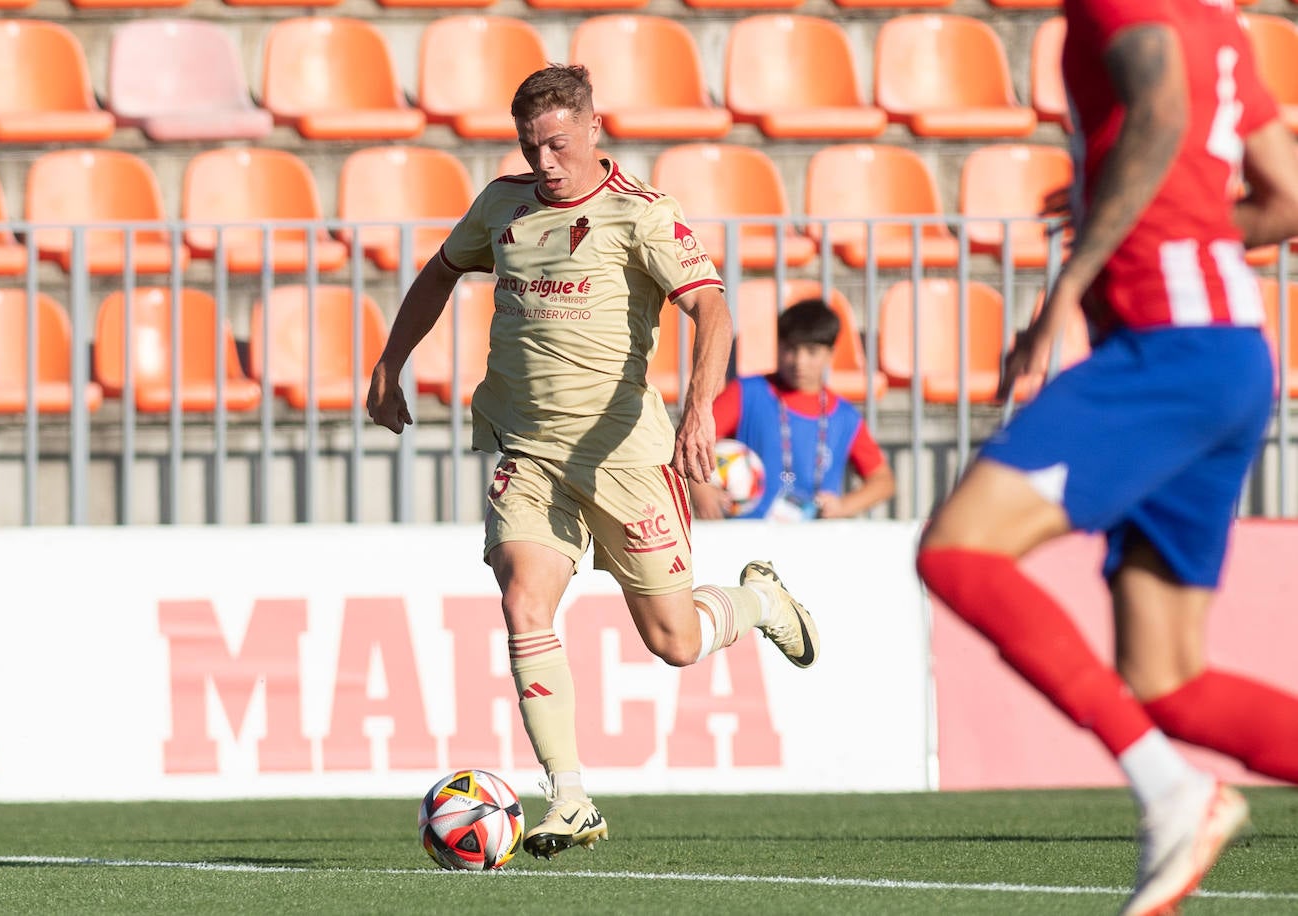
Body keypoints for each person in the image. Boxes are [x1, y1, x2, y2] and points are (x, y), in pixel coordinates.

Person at [366, 64, 820, 860]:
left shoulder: (640, 216)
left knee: (675, 641)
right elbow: (439, 273)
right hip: (527, 451)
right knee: (521, 601)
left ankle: (755, 602)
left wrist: (699, 411)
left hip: (623, 458)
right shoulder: (502, 207)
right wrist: (387, 364)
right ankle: (569, 798)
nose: (545, 162)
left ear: (594, 128)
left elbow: (711, 306)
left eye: (558, 144)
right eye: (530, 146)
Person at [915, 1, 1298, 914]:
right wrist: (1160, 216)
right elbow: (1286, 195)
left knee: (956, 551)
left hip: (1169, 349)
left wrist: (1071, 281)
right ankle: (1174, 781)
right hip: (1231, 348)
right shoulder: (1224, 19)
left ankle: (1174, 795)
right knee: (1172, 683)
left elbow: (1160, 114)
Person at [688, 298, 894, 521]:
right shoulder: (746, 392)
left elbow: (883, 482)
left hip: (811, 536)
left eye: (812, 351)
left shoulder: (845, 417)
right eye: (790, 349)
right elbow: (690, 442)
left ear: (831, 354)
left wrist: (843, 506)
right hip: (746, 533)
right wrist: (700, 488)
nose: (799, 361)